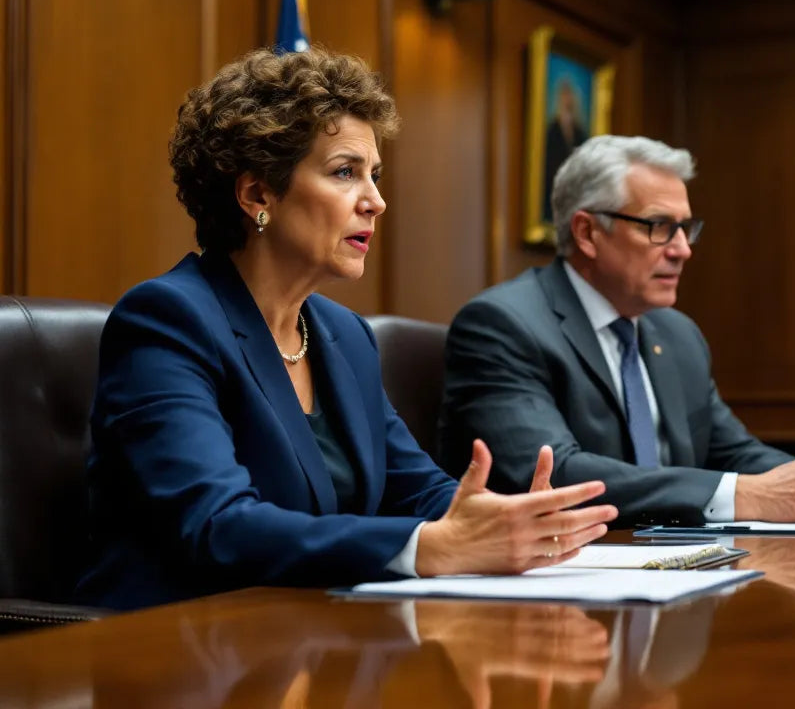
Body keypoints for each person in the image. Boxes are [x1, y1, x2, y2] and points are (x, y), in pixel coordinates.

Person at [78, 48, 616, 610]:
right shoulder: (168, 320)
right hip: (175, 641)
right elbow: (217, 525)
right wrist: (430, 547)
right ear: (257, 194)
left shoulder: (344, 334)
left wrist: (500, 517)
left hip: (310, 631)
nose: (376, 202)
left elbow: (416, 490)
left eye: (374, 176)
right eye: (345, 173)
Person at [438, 135, 795, 526]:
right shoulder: (503, 326)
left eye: (685, 228)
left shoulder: (677, 333)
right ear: (588, 232)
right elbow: (554, 476)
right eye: (660, 227)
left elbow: (731, 452)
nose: (683, 249)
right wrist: (747, 494)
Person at [543, 79, 588, 223]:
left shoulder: (579, 132)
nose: (567, 99)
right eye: (564, 95)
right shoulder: (552, 130)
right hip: (553, 191)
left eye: (569, 95)